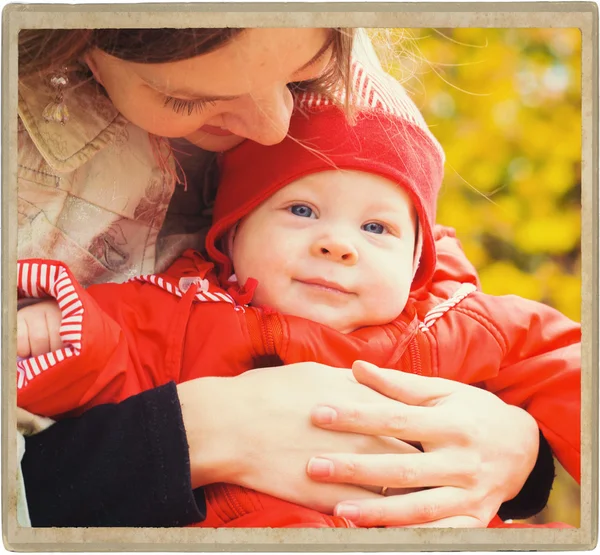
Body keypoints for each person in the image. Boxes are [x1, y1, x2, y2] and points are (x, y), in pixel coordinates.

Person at [17, 28, 552, 528]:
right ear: (228, 236)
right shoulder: (187, 309)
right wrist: (62, 331)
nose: (276, 125)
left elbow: (560, 364)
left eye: (304, 71)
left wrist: (521, 445)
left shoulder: (445, 321)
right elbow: (115, 350)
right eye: (301, 211)